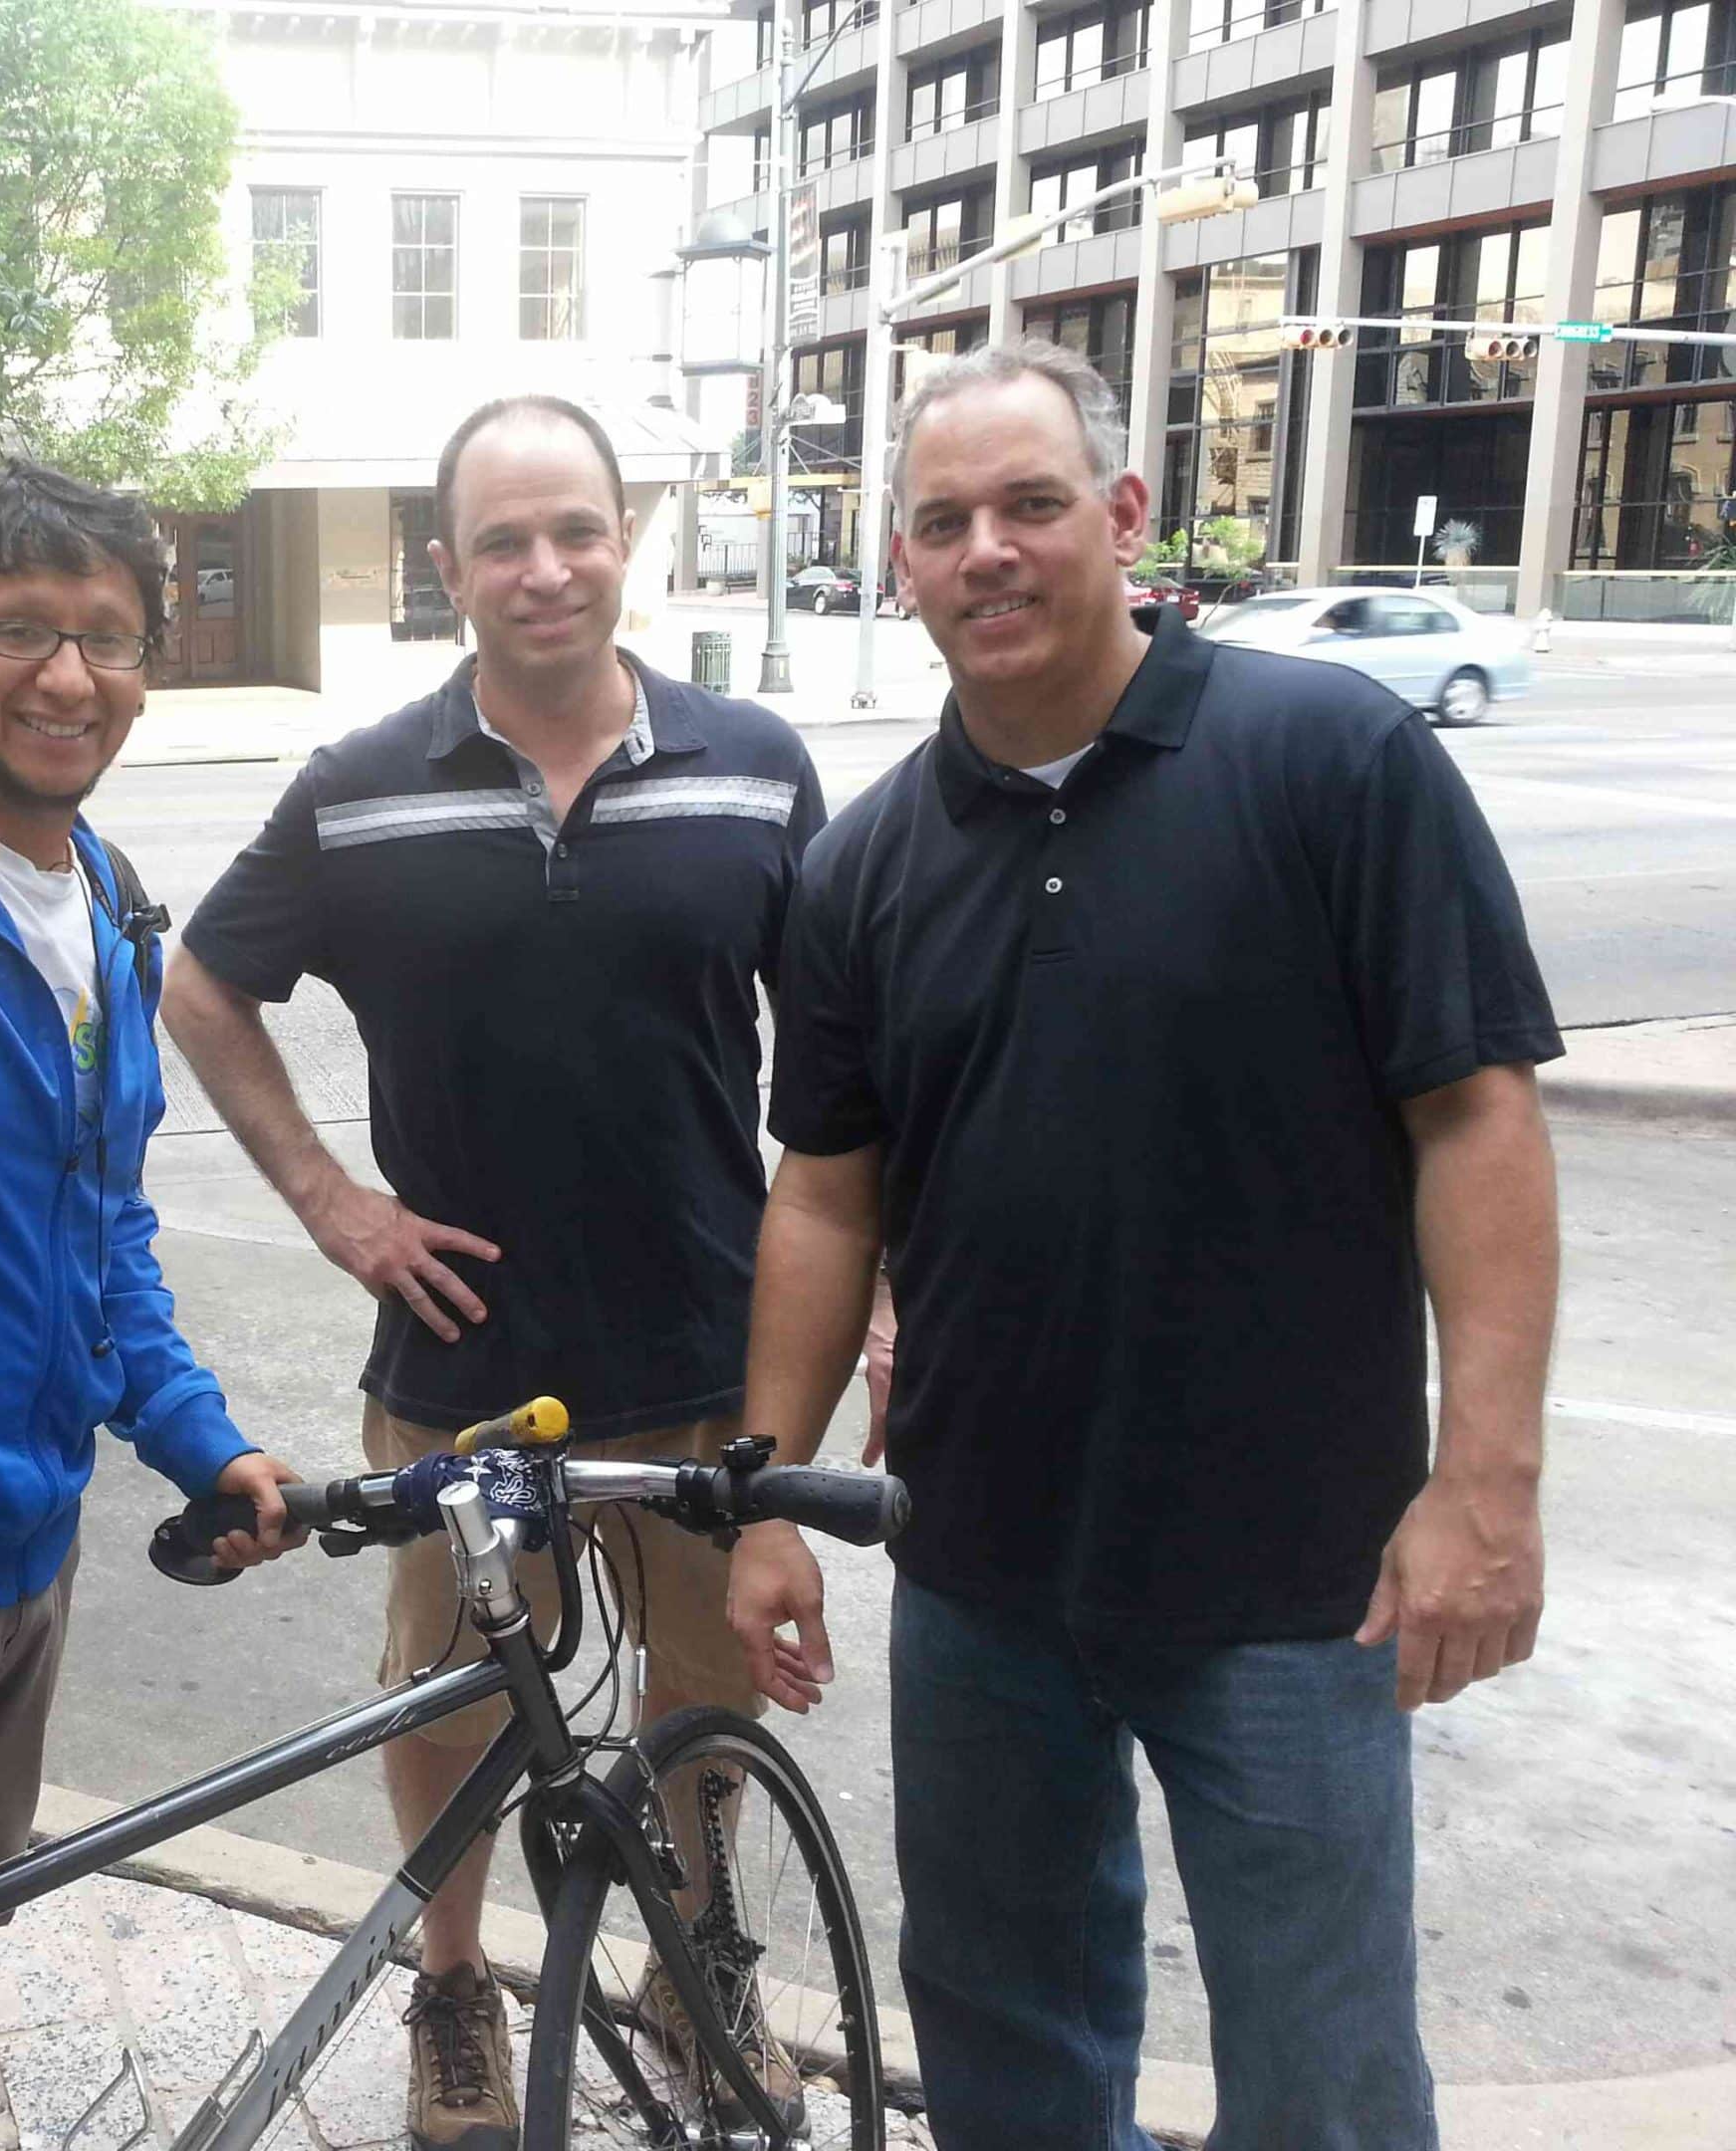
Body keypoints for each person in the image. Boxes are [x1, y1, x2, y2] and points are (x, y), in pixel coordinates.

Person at [730, 340, 1560, 2150]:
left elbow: (1476, 1120)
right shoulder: (862, 869)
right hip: (978, 1567)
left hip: (1296, 1576)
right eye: (942, 523)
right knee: (1009, 2047)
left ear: (1121, 517)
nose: (988, 552)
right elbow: (826, 1194)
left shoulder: (1330, 760)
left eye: (1031, 505)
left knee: (1321, 2075)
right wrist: (776, 1492)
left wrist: (1483, 1485)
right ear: (899, 567)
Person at [163, 396, 827, 2151]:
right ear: (447, 568)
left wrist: (876, 1302)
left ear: (631, 539)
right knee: (450, 1699)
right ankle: (452, 1989)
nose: (547, 571)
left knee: (703, 1700)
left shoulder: (757, 765)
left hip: (704, 1351)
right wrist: (329, 1198)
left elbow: (844, 1075)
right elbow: (205, 987)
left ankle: (707, 1975)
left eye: (579, 531)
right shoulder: (360, 788)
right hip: (463, 1368)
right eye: (507, 542)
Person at [0, 460, 297, 2151]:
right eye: (19, 630)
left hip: (31, 1556)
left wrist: (196, 1438)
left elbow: (102, 1241)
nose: (68, 678)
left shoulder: (108, 905)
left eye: (107, 637)